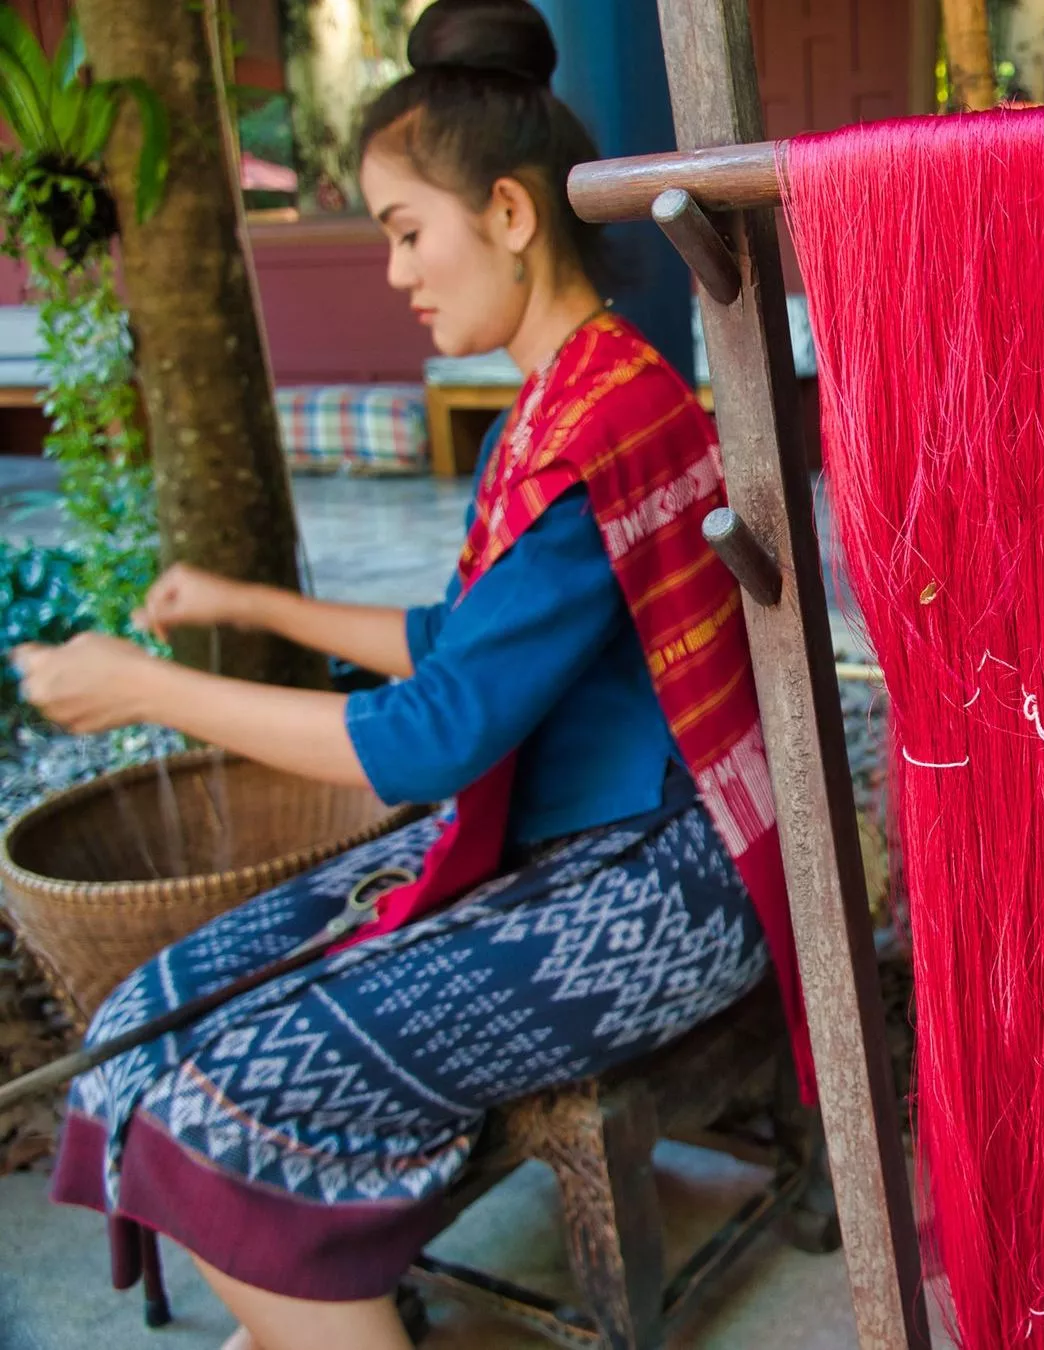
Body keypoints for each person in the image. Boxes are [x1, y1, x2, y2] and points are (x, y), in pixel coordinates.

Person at [11, 3, 806, 1347]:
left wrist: (151, 690)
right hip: (576, 853)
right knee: (146, 1011)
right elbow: (464, 649)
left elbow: (439, 734)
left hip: (662, 883)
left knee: (228, 1089)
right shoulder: (566, 403)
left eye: (402, 230)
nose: (397, 273)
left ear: (505, 211)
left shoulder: (592, 428)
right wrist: (247, 601)